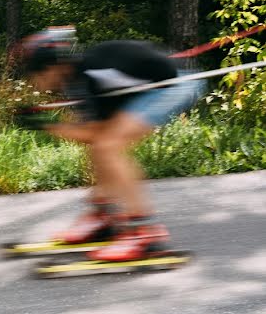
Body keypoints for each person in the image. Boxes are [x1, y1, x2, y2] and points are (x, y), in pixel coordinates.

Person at [15, 26, 206, 262]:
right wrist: (47, 124)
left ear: (51, 67)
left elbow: (91, 133)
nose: (34, 82)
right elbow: (91, 133)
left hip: (175, 85)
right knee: (101, 146)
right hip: (149, 85)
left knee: (108, 146)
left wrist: (44, 125)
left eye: (34, 74)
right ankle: (103, 216)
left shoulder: (91, 74)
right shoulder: (76, 80)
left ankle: (143, 231)